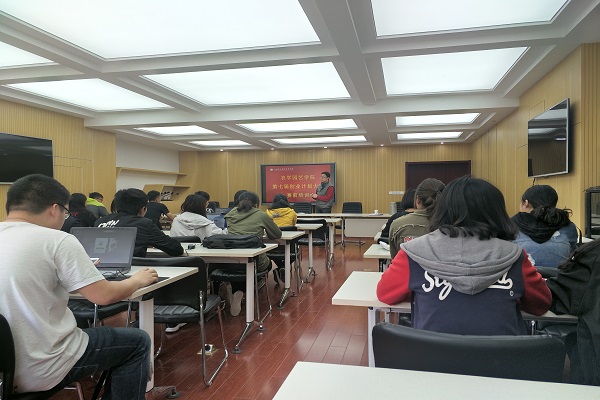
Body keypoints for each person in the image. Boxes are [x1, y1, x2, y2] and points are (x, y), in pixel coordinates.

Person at [0, 174, 158, 398]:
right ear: (54, 209)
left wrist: (77, 273)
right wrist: (136, 280)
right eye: (65, 212)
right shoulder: (57, 240)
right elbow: (103, 296)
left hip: (3, 372)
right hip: (39, 367)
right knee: (138, 342)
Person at [377, 176, 551, 336]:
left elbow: (385, 293)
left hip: (432, 357)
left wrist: (421, 293)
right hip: (501, 358)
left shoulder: (413, 252)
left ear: (442, 209)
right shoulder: (515, 256)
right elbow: (541, 304)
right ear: (497, 212)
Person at [223, 191, 282, 316]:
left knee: (240, 267)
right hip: (256, 262)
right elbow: (277, 234)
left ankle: (237, 291)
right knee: (268, 263)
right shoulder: (261, 215)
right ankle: (249, 289)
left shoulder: (230, 215)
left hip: (231, 262)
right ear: (256, 204)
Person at [95, 188, 184, 258]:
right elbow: (176, 249)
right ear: (142, 209)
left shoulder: (100, 222)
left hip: (99, 270)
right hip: (134, 271)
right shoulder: (143, 223)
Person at [512, 185, 578, 268]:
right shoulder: (568, 227)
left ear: (526, 203)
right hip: (558, 275)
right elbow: (572, 256)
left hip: (522, 276)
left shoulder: (510, 226)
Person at [388, 178, 445, 258]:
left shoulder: (397, 225)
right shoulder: (452, 225)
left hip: (407, 266)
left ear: (417, 200)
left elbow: (395, 258)